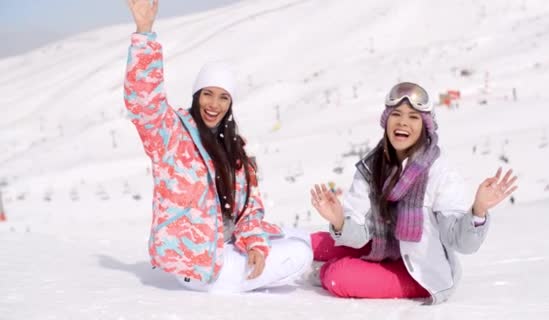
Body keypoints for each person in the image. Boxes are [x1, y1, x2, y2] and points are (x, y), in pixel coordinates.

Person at [124, 0, 312, 293]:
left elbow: (247, 212)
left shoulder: (234, 149)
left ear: (231, 103)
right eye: (207, 94)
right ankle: (239, 281)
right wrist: (144, 33)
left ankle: (264, 268)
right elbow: (143, 103)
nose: (214, 104)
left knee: (297, 235)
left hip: (224, 246)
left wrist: (255, 246)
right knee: (301, 253)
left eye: (223, 97)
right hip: (197, 264)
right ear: (196, 96)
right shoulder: (172, 134)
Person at [309, 82, 517, 304]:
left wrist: (479, 210)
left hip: (420, 272)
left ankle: (317, 272)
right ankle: (278, 254)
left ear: (425, 126)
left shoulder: (440, 172)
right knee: (315, 244)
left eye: (413, 117)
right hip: (384, 246)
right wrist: (339, 220)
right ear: (386, 120)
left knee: (338, 276)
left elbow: (460, 241)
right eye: (396, 114)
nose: (403, 122)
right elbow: (359, 233)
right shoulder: (374, 166)